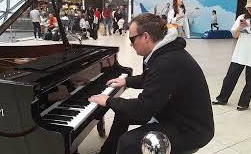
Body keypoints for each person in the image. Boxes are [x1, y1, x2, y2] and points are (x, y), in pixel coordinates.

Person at [89, 13, 214, 154]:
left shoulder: (167, 62)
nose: (130, 44)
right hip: (173, 113)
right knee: (123, 112)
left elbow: (143, 110)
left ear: (146, 37)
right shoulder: (161, 53)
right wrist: (126, 81)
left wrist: (109, 101)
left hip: (190, 129)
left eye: (132, 39)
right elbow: (149, 78)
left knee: (128, 142)